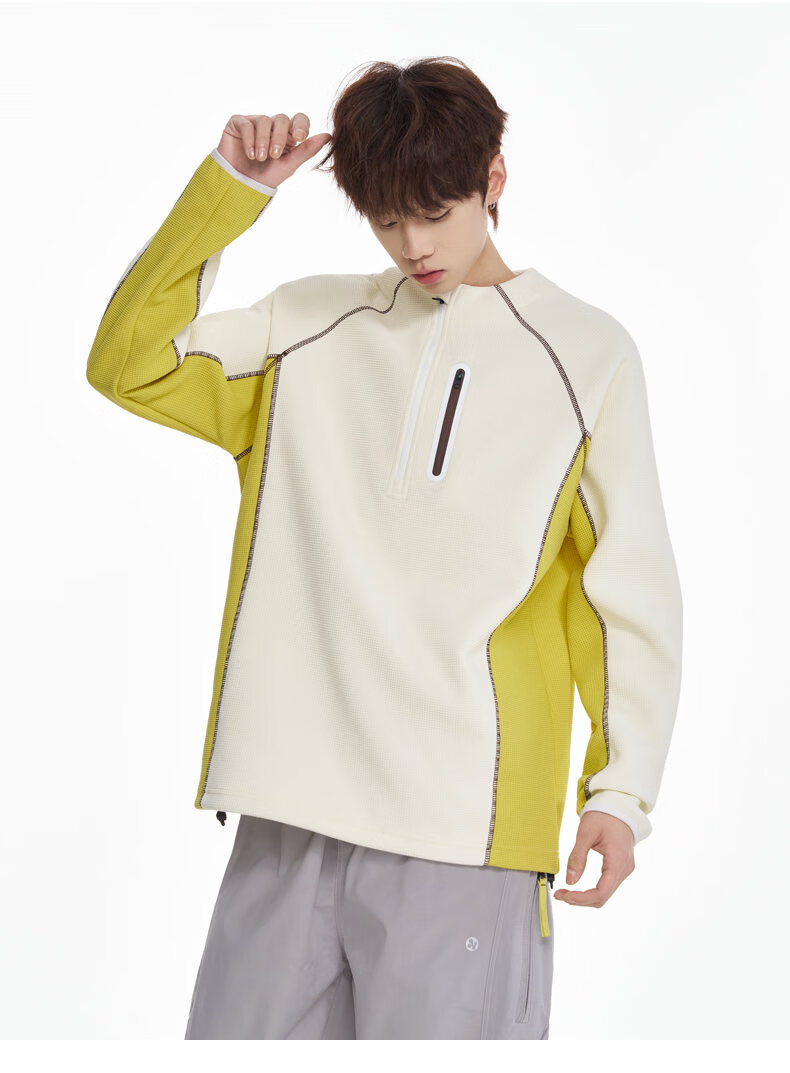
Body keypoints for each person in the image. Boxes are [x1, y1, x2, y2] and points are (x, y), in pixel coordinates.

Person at [85, 57, 683, 1040]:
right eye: (387, 219)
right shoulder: (307, 325)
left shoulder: (584, 356)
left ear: (492, 177)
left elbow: (625, 591)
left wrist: (619, 791)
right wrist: (229, 195)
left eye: (435, 212)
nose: (414, 244)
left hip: (465, 834)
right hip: (286, 815)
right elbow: (130, 365)